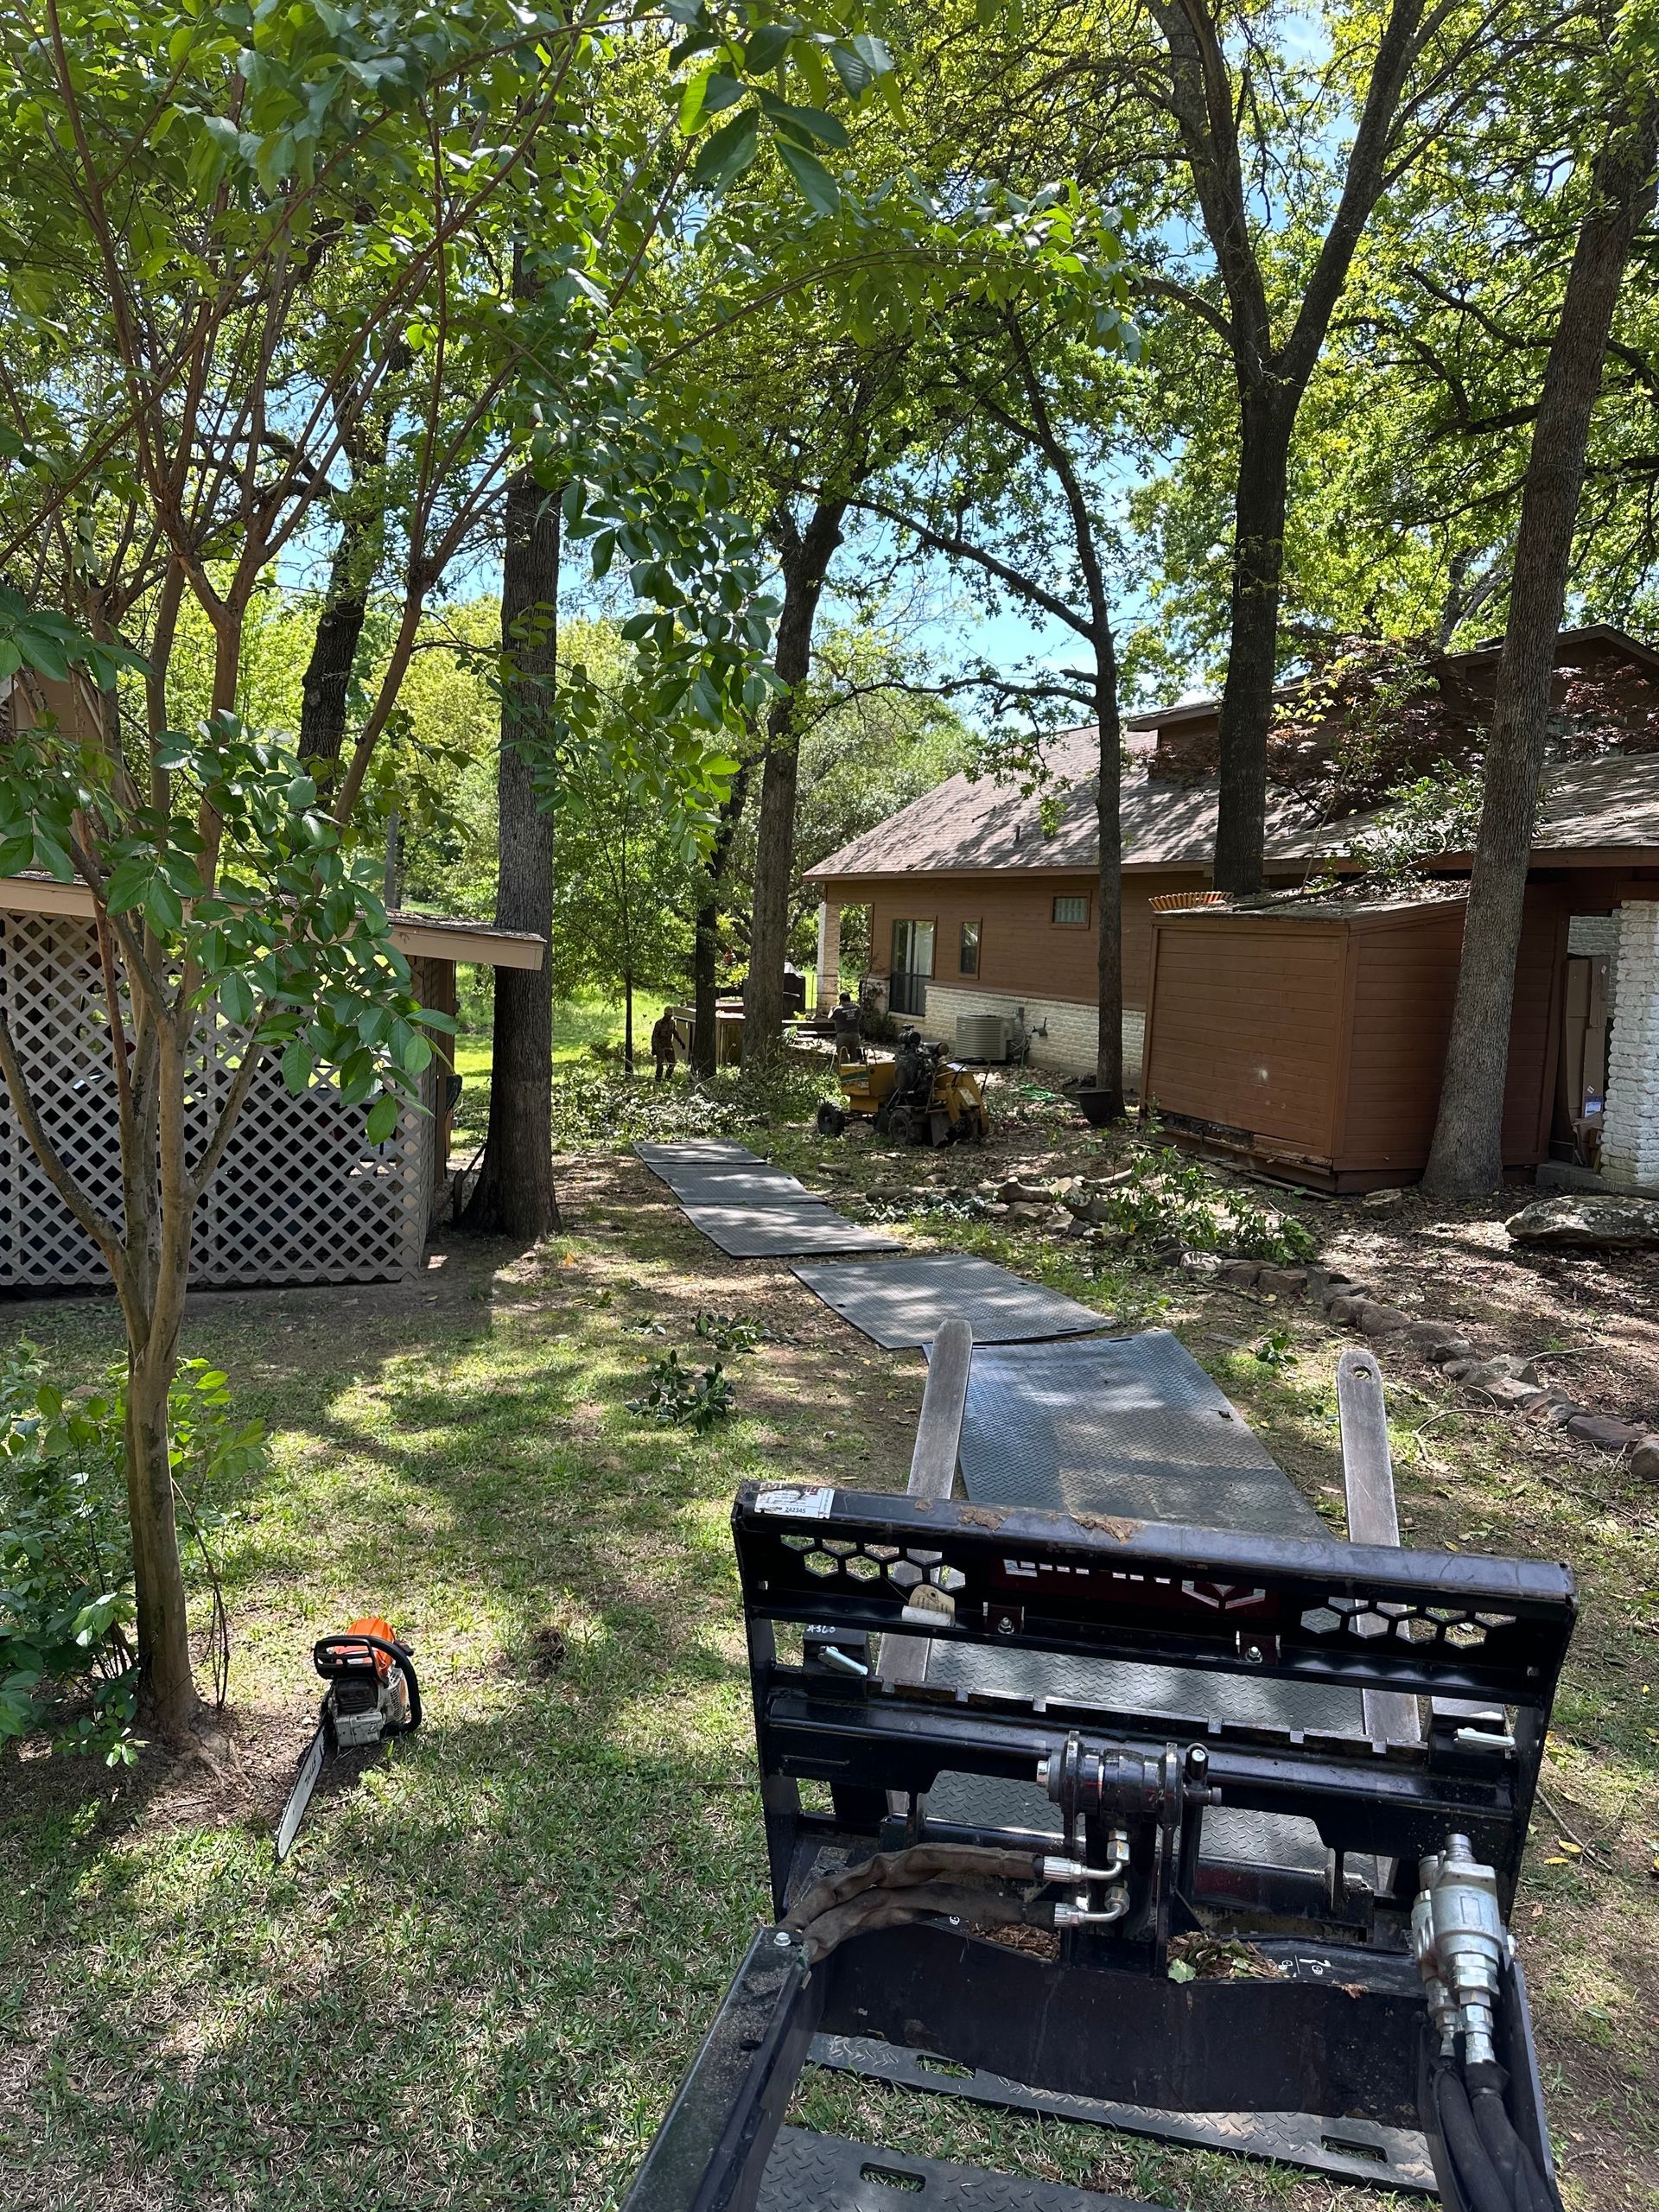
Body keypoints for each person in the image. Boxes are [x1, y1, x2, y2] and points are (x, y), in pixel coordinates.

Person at [830, 989, 864, 1064]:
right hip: (856, 1035)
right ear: (849, 999)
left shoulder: (838, 1009)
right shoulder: (857, 1008)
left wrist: (831, 1010)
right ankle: (855, 1074)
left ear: (841, 1000)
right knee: (855, 1059)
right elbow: (859, 1018)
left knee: (843, 1059)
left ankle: (844, 1074)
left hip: (843, 1036)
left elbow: (830, 1019)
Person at [651, 1007, 682, 1083]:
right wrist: (654, 1048)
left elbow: (675, 1032)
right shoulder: (659, 1023)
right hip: (660, 1046)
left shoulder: (672, 1023)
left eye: (671, 1015)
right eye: (669, 1015)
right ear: (665, 1014)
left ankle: (668, 1077)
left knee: (673, 1062)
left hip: (668, 1045)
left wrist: (680, 1042)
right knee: (660, 1063)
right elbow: (654, 1036)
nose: (670, 1017)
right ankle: (658, 1079)